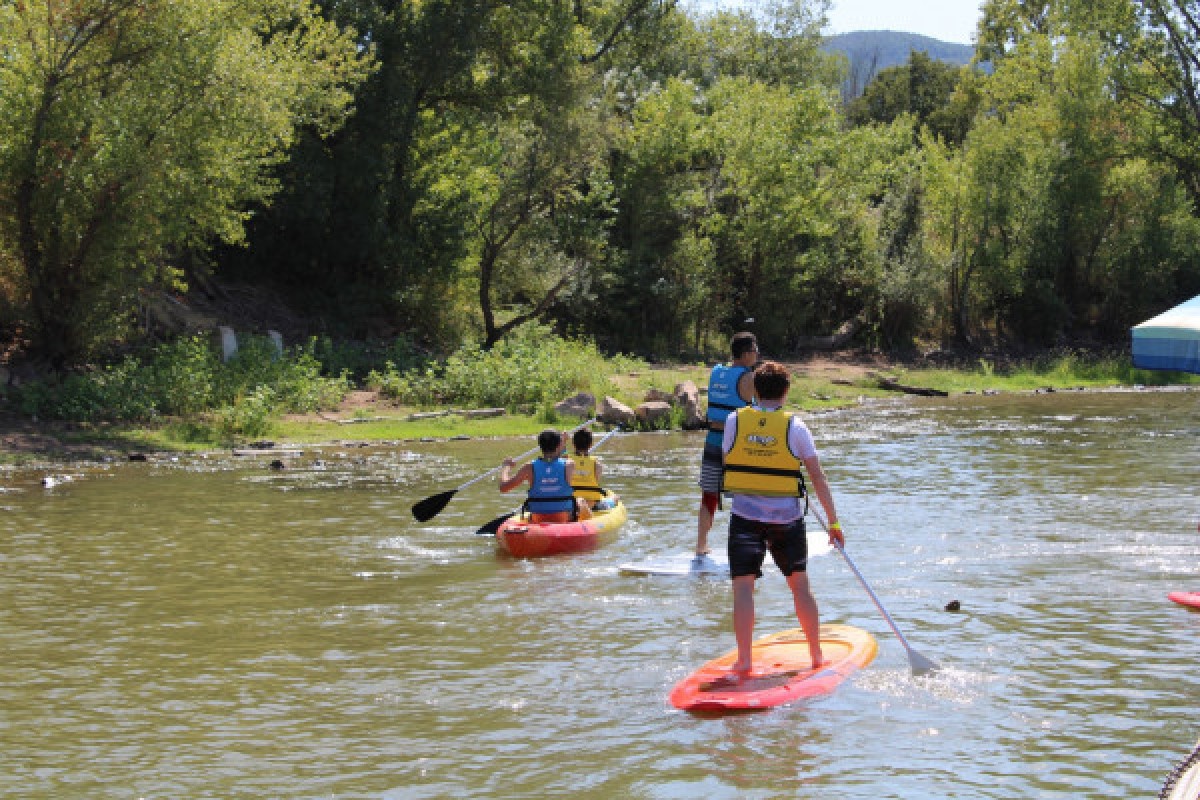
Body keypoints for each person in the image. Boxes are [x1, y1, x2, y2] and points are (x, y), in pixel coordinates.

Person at [719, 360, 845, 677]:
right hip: (786, 520)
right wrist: (834, 523)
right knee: (800, 586)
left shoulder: (735, 421)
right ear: (786, 392)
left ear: (755, 391)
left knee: (743, 589)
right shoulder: (795, 427)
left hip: (745, 517)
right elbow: (818, 477)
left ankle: (744, 660)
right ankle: (816, 656)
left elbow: (728, 459)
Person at [696, 331, 758, 555]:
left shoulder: (716, 372)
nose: (757, 354)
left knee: (709, 495)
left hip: (712, 439)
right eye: (755, 350)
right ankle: (744, 546)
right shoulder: (748, 377)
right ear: (745, 354)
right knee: (744, 497)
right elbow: (761, 409)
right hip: (735, 444)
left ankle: (701, 545)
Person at [499, 429, 591, 522]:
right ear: (559, 445)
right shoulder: (569, 465)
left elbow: (504, 488)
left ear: (540, 446)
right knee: (580, 500)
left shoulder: (528, 467)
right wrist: (564, 441)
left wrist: (506, 467)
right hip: (563, 518)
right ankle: (590, 524)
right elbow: (563, 457)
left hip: (537, 517)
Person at [569, 429, 617, 510]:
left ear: (573, 444)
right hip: (592, 505)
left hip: (571, 503)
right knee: (615, 498)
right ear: (591, 445)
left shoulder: (566, 460)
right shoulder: (597, 463)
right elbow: (596, 481)